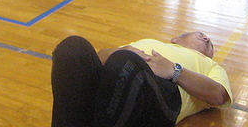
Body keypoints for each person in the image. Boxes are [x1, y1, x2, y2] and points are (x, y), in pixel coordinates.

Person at [50, 32, 232, 127]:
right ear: (175, 39)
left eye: (210, 44)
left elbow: (218, 95)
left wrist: (175, 71)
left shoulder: (210, 65)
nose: (207, 38)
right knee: (72, 47)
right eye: (200, 34)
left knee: (125, 62)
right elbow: (96, 60)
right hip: (113, 83)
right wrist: (114, 52)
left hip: (159, 97)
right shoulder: (150, 41)